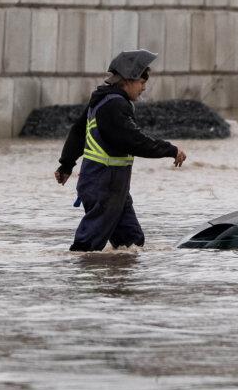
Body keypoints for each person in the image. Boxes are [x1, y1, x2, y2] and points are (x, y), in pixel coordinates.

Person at [55, 49, 187, 252]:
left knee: (131, 243)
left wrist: (66, 164)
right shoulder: (114, 106)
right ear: (128, 80)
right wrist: (170, 149)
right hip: (103, 185)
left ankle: (117, 281)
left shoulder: (104, 101)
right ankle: (79, 279)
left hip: (111, 186)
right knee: (87, 248)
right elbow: (134, 140)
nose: (143, 88)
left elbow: (78, 132)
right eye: (142, 83)